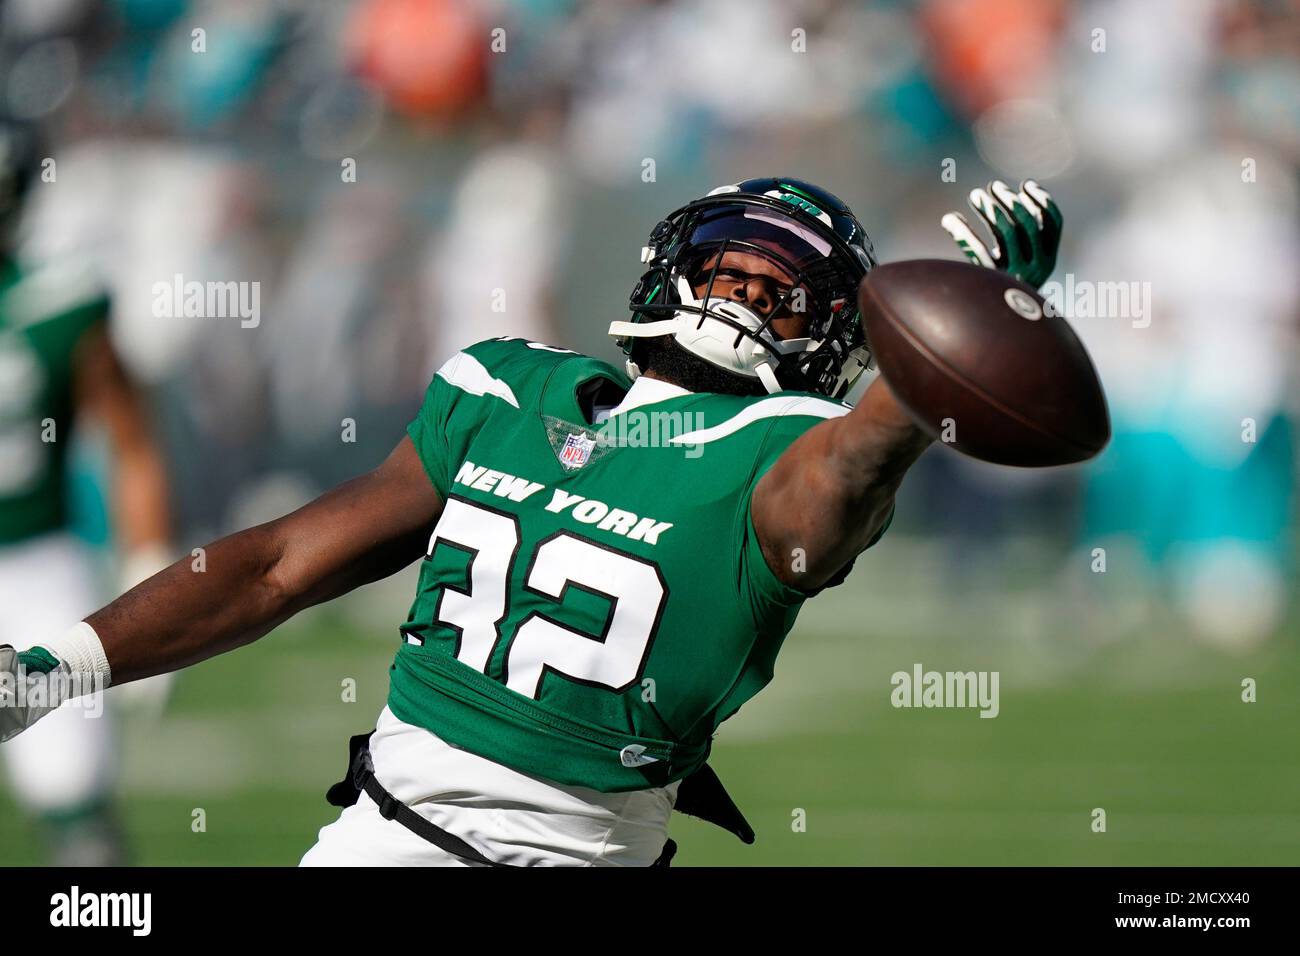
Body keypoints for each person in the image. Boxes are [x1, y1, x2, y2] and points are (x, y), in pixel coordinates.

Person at [1, 176, 1059, 866]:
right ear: (665, 270)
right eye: (727, 264)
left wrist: (957, 327)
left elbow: (857, 459)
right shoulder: (508, 390)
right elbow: (279, 564)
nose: (744, 293)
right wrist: (52, 667)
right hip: (391, 836)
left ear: (827, 343)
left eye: (782, 292)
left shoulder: (785, 453)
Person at [0, 118, 173, 865]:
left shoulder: (61, 302)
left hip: (39, 564)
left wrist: (148, 562)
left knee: (75, 800)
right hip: (43, 561)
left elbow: (131, 443)